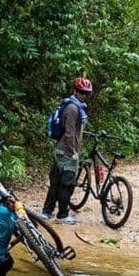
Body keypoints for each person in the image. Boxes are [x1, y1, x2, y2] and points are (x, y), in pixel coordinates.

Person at [41, 77, 92, 225]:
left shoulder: (74, 107)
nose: (84, 95)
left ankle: (46, 211)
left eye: (86, 93)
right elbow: (69, 133)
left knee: (56, 181)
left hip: (60, 150)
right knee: (67, 184)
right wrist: (73, 152)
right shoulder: (73, 109)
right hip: (66, 151)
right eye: (81, 92)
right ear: (75, 91)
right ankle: (62, 215)